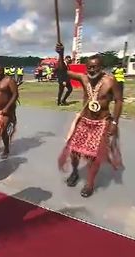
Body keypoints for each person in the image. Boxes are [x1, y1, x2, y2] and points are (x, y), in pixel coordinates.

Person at [56, 43, 124, 198]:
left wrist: (115, 123)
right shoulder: (83, 78)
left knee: (94, 156)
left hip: (102, 123)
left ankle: (90, 183)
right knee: (74, 151)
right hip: (85, 120)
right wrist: (61, 54)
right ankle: (74, 172)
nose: (92, 70)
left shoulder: (111, 81)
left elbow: (119, 101)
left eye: (95, 67)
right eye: (90, 67)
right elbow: (62, 73)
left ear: (101, 67)